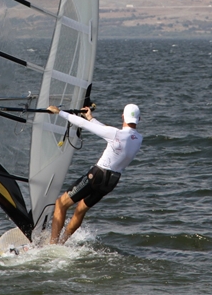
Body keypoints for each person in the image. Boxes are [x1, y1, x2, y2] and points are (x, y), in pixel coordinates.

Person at [46, 103, 143, 245]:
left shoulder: (115, 134)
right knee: (80, 210)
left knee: (60, 204)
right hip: (111, 182)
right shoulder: (139, 139)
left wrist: (59, 112)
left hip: (97, 176)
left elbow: (83, 123)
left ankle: (52, 245)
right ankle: (62, 243)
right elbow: (105, 131)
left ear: (122, 116)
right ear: (139, 119)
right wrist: (91, 118)